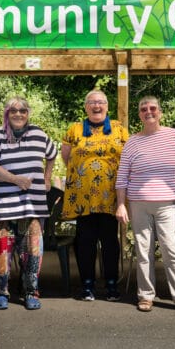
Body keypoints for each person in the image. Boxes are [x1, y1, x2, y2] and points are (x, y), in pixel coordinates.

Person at [115, 96, 175, 314]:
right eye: (143, 109)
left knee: (171, 248)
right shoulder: (132, 141)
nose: (148, 112)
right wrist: (121, 205)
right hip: (139, 204)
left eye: (152, 108)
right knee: (143, 250)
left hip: (168, 203)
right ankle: (145, 295)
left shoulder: (173, 135)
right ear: (139, 114)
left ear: (160, 112)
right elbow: (122, 176)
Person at [0, 97, 57, 311]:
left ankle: (30, 291)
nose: (18, 114)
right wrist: (15, 179)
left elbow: (51, 155)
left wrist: (47, 177)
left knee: (33, 250)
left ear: (28, 113)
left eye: (23, 110)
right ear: (7, 113)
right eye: (13, 110)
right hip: (4, 203)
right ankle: (1, 291)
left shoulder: (39, 134)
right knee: (1, 250)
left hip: (32, 203)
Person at [61, 90, 129, 301]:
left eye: (100, 102)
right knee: (85, 242)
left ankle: (111, 285)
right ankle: (87, 286)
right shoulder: (74, 129)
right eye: (91, 102)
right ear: (85, 107)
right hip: (83, 199)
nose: (96, 106)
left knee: (110, 242)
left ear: (107, 106)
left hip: (110, 197)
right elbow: (66, 157)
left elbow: (127, 158)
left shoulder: (119, 129)